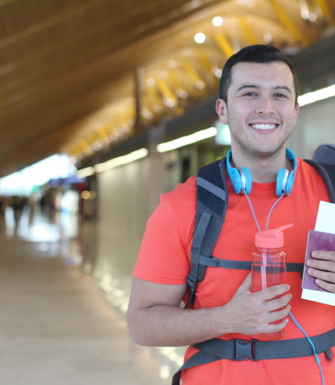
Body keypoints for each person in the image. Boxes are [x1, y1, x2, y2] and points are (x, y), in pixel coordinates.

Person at [127, 44, 335, 385]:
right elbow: (142, 324)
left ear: (295, 110)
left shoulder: (332, 194)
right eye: (250, 93)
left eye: (279, 95)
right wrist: (226, 319)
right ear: (223, 109)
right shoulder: (183, 207)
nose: (266, 108)